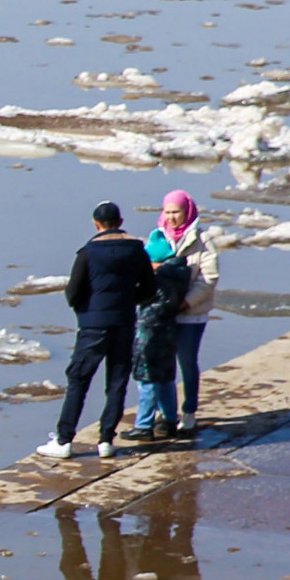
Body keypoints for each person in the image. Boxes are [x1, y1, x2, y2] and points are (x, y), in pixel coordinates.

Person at [39, 201, 154, 461]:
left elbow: (72, 292)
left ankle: (64, 440)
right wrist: (125, 301)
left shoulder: (89, 252)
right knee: (116, 382)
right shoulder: (137, 250)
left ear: (96, 223)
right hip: (124, 322)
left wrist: (86, 310)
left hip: (93, 326)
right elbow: (149, 290)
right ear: (121, 222)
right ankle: (106, 440)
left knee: (78, 379)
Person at [159, 192, 220, 434]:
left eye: (177, 213)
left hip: (191, 313)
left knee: (186, 361)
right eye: (168, 212)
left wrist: (185, 302)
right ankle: (165, 412)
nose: (172, 218)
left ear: (187, 213)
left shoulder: (202, 239)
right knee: (163, 363)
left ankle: (189, 410)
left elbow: (209, 278)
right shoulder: (158, 237)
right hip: (164, 313)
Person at [132, 228, 192, 440]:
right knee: (166, 378)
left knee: (147, 379)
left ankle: (143, 425)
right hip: (168, 332)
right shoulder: (179, 274)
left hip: (150, 333)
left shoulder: (160, 279)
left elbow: (146, 301)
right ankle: (169, 419)